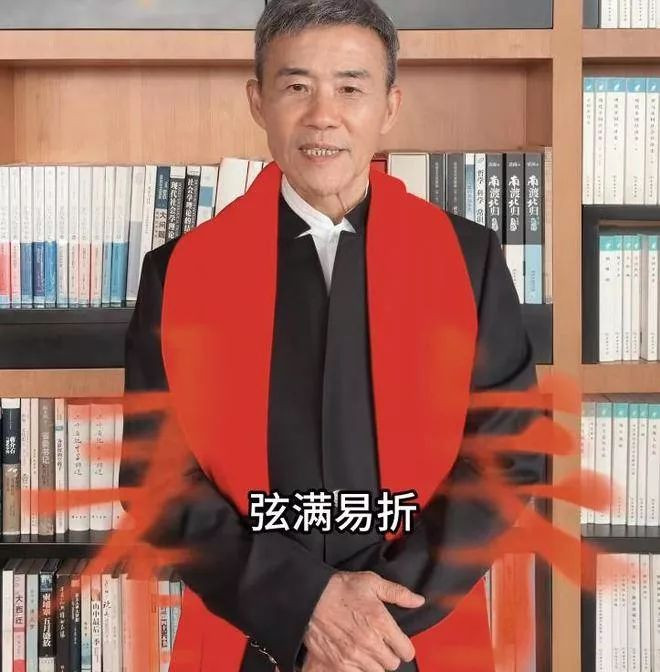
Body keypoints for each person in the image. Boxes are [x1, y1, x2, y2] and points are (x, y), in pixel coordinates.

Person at [119, 1, 546, 671]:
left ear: (390, 105)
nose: (323, 116)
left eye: (350, 88)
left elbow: (509, 456)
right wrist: (306, 606)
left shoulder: (468, 260)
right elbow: (155, 479)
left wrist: (368, 625)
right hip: (249, 632)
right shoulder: (179, 273)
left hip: (414, 633)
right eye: (297, 86)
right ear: (259, 101)